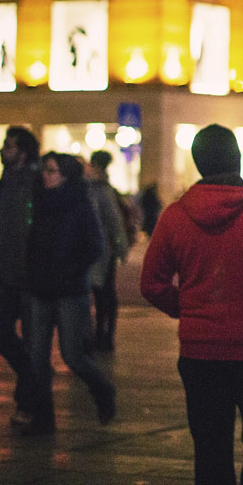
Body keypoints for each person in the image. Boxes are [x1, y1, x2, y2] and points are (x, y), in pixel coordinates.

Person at [141, 124, 243, 485]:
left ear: (198, 163)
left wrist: (188, 308)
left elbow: (152, 283)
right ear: (238, 159)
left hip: (199, 353)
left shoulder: (176, 215)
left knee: (210, 451)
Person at [25, 152, 115, 435]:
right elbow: (32, 243)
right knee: (37, 357)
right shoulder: (39, 202)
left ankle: (102, 389)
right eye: (45, 170)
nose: (45, 175)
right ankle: (43, 419)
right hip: (40, 289)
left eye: (51, 171)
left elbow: (95, 246)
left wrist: (70, 270)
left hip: (69, 291)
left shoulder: (79, 205)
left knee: (73, 355)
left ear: (65, 176)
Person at [0, 126, 40, 427]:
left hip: (33, 279)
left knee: (34, 343)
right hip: (5, 276)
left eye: (10, 145)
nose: (3, 150)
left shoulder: (37, 185)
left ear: (24, 151)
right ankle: (29, 381)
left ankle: (30, 404)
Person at [86, 150, 130, 352]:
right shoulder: (105, 189)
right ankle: (103, 335)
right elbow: (116, 222)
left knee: (101, 294)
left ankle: (102, 335)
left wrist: (120, 247)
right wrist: (120, 248)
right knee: (104, 295)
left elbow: (114, 222)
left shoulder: (98, 190)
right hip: (104, 251)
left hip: (100, 252)